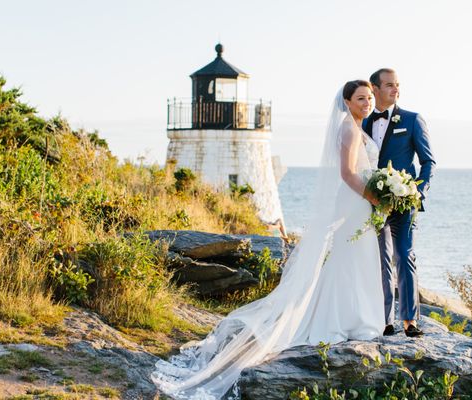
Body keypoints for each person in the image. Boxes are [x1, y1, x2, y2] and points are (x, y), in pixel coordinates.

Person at [152, 80, 385, 400]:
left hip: (358, 205)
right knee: (351, 259)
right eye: (361, 98)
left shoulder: (355, 127)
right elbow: (347, 173)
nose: (368, 102)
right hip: (356, 200)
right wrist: (374, 196)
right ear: (346, 102)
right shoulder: (348, 129)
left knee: (356, 258)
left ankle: (357, 317)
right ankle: (349, 319)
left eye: (370, 97)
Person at [363, 68, 436, 337]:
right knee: (381, 259)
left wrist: (418, 192)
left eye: (398, 85)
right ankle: (384, 320)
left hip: (405, 202)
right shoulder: (364, 123)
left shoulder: (413, 120)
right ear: (374, 88)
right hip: (374, 202)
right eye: (390, 85)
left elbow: (428, 162)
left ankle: (410, 321)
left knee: (404, 254)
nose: (396, 90)